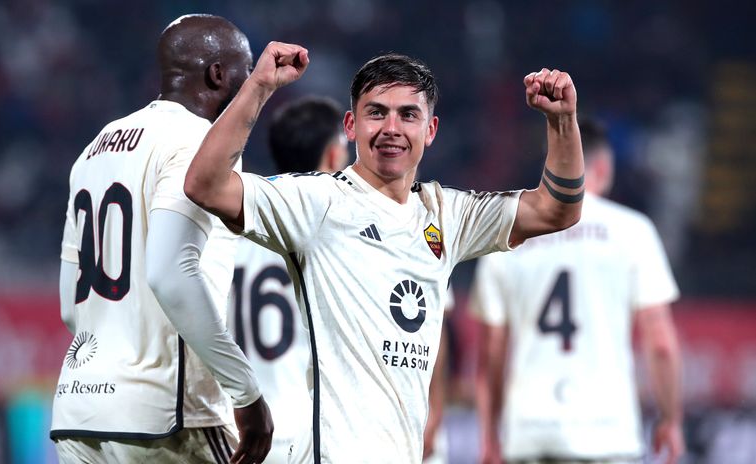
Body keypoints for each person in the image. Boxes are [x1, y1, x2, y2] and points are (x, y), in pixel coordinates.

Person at [184, 41, 585, 463]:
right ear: (351, 126)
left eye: (407, 115)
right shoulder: (319, 202)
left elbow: (556, 209)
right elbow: (204, 184)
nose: (391, 127)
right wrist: (260, 86)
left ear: (430, 131)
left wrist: (562, 122)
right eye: (377, 112)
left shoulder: (448, 215)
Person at [51, 15, 272, 464]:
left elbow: (68, 307)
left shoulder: (96, 146)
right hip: (164, 418)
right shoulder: (201, 143)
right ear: (217, 75)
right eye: (246, 74)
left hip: (79, 411)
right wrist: (245, 394)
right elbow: (172, 274)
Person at [470, 118, 683, 464]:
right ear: (602, 166)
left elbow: (490, 356)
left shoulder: (508, 236)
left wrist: (490, 437)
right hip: (607, 431)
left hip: (530, 431)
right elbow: (660, 342)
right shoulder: (632, 231)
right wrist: (670, 419)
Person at [228, 96, 348, 463]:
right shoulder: (337, 227)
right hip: (309, 433)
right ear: (331, 155)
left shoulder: (235, 222)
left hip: (242, 430)